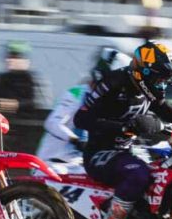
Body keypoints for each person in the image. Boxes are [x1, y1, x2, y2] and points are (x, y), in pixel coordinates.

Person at [73, 40, 172, 219]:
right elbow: (81, 118)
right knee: (138, 174)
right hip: (100, 153)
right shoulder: (114, 82)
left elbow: (164, 108)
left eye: (167, 79)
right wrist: (123, 127)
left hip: (128, 151)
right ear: (145, 72)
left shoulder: (148, 89)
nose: (164, 84)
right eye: (161, 78)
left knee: (166, 172)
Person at [36, 47, 132, 175]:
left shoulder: (110, 102)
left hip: (78, 164)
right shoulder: (76, 93)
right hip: (54, 164)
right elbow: (52, 123)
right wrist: (76, 141)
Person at [0, 41, 48, 115]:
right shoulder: (3, 78)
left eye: (14, 57)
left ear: (24, 60)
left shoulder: (30, 79)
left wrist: (14, 105)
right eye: (9, 56)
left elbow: (34, 103)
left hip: (24, 120)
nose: (9, 60)